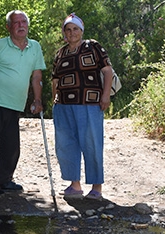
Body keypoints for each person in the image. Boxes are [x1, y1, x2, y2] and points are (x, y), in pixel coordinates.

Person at [0, 10, 46, 195]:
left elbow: (37, 75)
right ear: (9, 27)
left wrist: (37, 99)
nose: (21, 25)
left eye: (24, 22)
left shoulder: (35, 47)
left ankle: (5, 180)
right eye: (16, 22)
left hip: (15, 103)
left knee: (11, 144)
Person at [51, 13, 114, 200]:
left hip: (89, 103)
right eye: (68, 29)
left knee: (92, 144)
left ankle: (96, 188)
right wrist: (53, 100)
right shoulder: (60, 53)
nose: (72, 33)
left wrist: (105, 96)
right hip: (63, 105)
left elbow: (107, 72)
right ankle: (75, 185)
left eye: (75, 29)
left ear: (81, 30)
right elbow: (55, 79)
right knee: (66, 145)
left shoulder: (93, 46)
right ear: (64, 33)